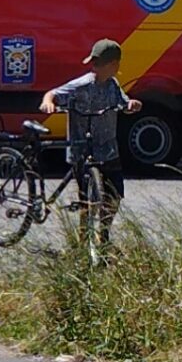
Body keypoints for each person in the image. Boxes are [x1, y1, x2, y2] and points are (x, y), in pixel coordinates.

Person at [47, 38, 140, 238]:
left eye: (98, 63)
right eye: (94, 63)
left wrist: (131, 104)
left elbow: (123, 103)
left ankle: (103, 234)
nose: (94, 67)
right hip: (83, 149)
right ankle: (83, 239)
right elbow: (53, 94)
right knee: (87, 199)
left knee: (114, 195)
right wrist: (49, 103)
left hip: (108, 148)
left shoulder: (113, 85)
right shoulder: (81, 85)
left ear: (113, 65)